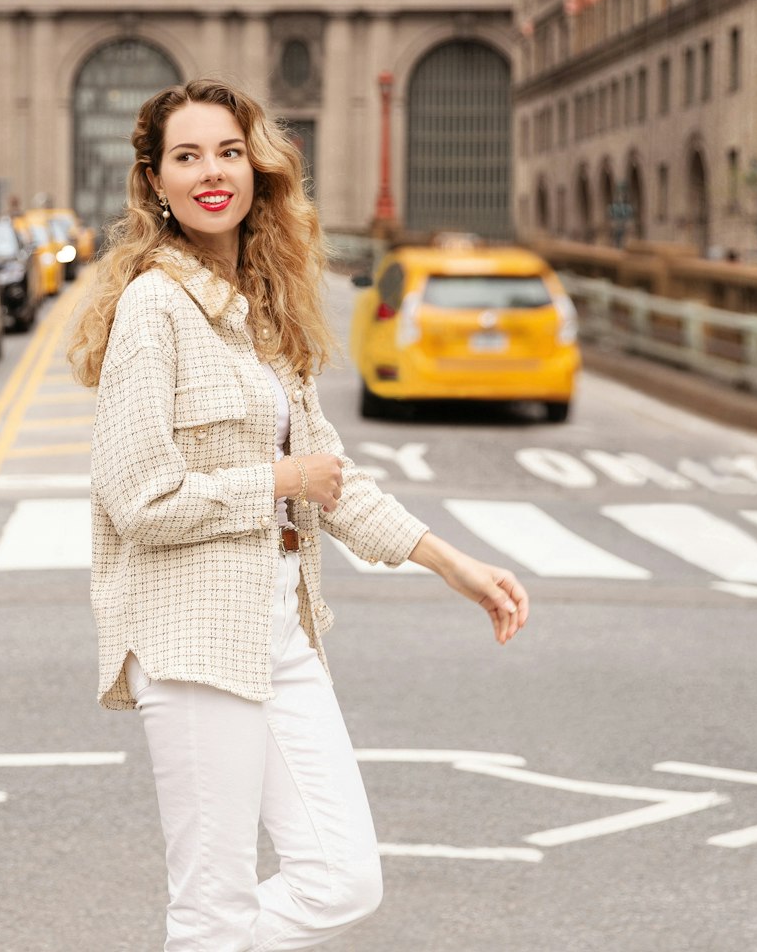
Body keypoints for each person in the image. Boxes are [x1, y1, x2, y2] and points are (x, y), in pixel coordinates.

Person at [69, 78, 529, 952]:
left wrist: (451, 563)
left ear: (258, 167)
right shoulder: (152, 309)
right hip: (194, 634)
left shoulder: (265, 310)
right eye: (187, 156)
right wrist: (273, 480)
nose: (213, 172)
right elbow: (140, 502)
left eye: (230, 151)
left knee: (342, 878)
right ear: (154, 184)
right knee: (212, 907)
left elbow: (331, 480)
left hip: (281, 624)